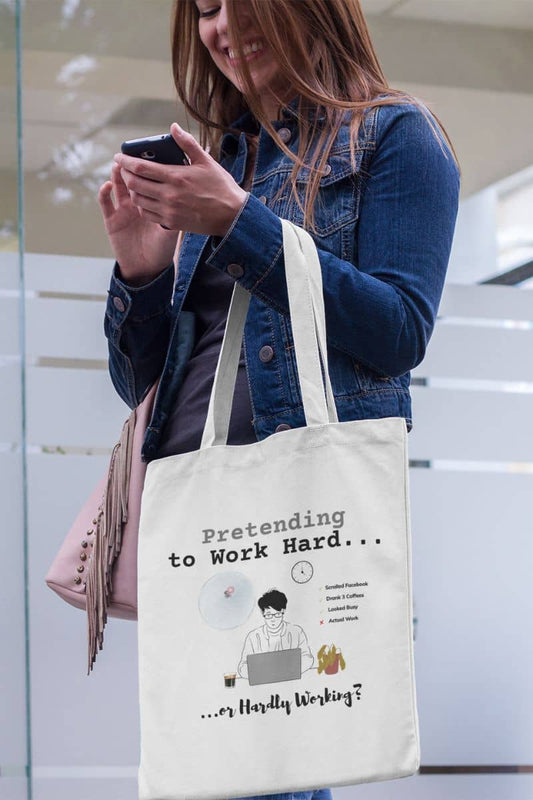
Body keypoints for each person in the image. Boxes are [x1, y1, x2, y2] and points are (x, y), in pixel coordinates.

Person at [98, 1, 461, 798]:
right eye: (205, 9)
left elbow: (399, 330)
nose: (225, 27)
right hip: (197, 525)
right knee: (200, 771)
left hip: (298, 514)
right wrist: (141, 272)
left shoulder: (396, 137)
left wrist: (240, 223)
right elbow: (144, 389)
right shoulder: (218, 157)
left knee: (266, 773)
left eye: (246, 2)